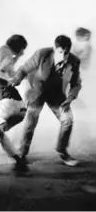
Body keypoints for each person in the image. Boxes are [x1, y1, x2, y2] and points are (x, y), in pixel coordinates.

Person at [8, 35, 82, 166]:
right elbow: (24, 69)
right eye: (60, 52)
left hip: (56, 94)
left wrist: (70, 98)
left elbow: (76, 83)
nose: (64, 56)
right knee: (31, 122)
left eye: (66, 52)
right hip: (37, 91)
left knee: (68, 120)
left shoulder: (74, 61)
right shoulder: (42, 54)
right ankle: (22, 154)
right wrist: (17, 79)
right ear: (54, 49)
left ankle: (62, 150)